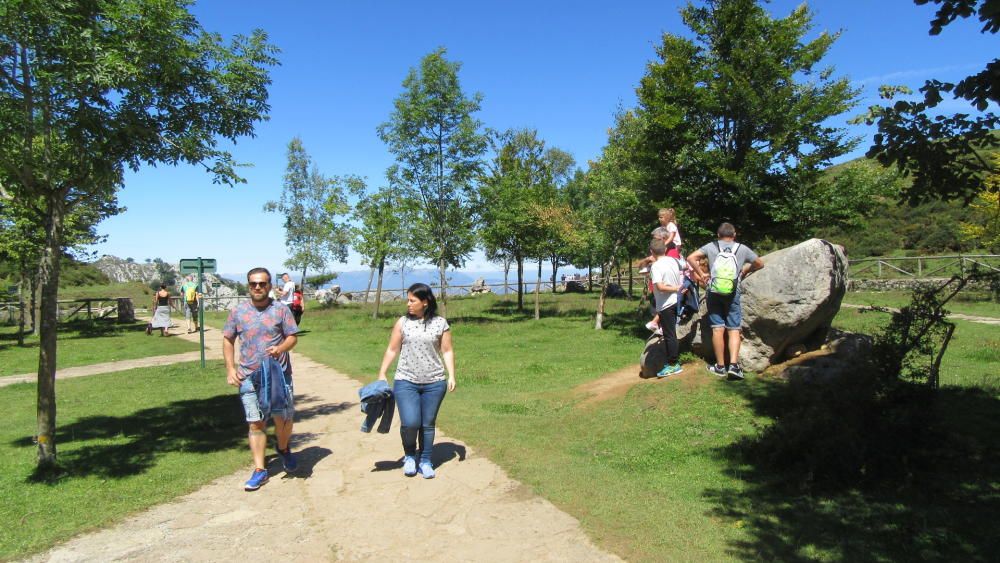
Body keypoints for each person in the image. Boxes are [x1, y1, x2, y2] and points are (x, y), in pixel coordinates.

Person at [223, 267, 301, 491]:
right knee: (255, 422)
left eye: (262, 284)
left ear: (269, 285)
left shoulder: (281, 310)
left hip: (279, 374)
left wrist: (281, 347)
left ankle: (283, 449)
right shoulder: (237, 312)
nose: (258, 287)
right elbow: (228, 339)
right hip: (248, 376)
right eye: (253, 284)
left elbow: (292, 337)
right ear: (248, 285)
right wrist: (230, 369)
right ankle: (260, 470)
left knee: (283, 419)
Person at [375, 283, 456, 479]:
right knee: (410, 422)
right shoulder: (403, 322)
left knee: (427, 424)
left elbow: (447, 350)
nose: (408, 304)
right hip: (406, 380)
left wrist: (451, 375)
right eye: (408, 300)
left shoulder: (440, 323)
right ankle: (410, 456)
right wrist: (382, 373)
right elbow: (392, 349)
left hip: (434, 382)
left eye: (412, 300)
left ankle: (426, 461)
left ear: (425, 302)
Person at [686, 222, 765, 380]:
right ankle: (734, 366)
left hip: (713, 291)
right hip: (733, 291)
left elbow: (690, 257)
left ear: (718, 235)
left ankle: (720, 366)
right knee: (734, 328)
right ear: (734, 235)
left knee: (717, 328)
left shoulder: (711, 246)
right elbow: (760, 263)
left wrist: (701, 274)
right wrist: (745, 270)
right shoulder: (742, 248)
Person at [650, 239, 683, 377]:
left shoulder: (656, 266)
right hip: (677, 301)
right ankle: (673, 361)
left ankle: (673, 364)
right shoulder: (674, 261)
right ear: (665, 249)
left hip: (666, 304)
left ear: (651, 252)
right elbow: (685, 267)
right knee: (671, 333)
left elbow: (660, 287)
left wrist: (676, 288)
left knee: (669, 335)